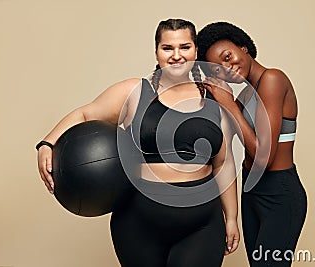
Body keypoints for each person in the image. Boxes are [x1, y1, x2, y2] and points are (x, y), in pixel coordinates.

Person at [36, 19, 239, 267]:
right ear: (157, 52)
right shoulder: (134, 91)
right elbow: (85, 114)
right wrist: (46, 143)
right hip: (139, 223)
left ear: (195, 50)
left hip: (201, 224)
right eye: (168, 48)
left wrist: (231, 218)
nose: (177, 55)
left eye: (184, 47)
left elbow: (223, 164)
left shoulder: (214, 98)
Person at [197, 22, 307, 266]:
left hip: (279, 193)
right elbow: (222, 146)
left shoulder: (273, 79)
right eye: (216, 69)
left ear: (243, 47)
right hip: (251, 191)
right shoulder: (246, 94)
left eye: (228, 56)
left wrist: (229, 103)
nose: (227, 68)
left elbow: (263, 157)